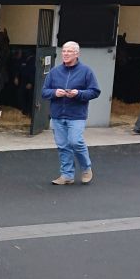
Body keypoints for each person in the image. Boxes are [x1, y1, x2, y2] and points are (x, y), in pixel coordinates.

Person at [41, 41, 102, 185]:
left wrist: (78, 94)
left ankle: (86, 168)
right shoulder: (55, 72)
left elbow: (95, 91)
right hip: (57, 114)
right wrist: (55, 92)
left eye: (69, 51)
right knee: (63, 146)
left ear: (77, 54)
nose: (66, 54)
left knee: (76, 141)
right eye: (64, 51)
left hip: (76, 114)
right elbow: (44, 92)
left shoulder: (86, 71)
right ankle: (67, 175)